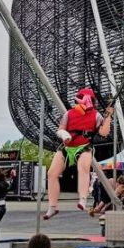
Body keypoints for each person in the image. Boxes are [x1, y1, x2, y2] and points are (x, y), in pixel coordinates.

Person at [45, 88, 113, 219]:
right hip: (67, 147)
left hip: (84, 146)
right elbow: (60, 129)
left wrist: (108, 116)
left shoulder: (96, 115)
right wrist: (65, 135)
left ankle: (82, 199)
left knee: (83, 168)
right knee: (51, 173)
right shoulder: (69, 114)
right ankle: (52, 207)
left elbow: (103, 132)